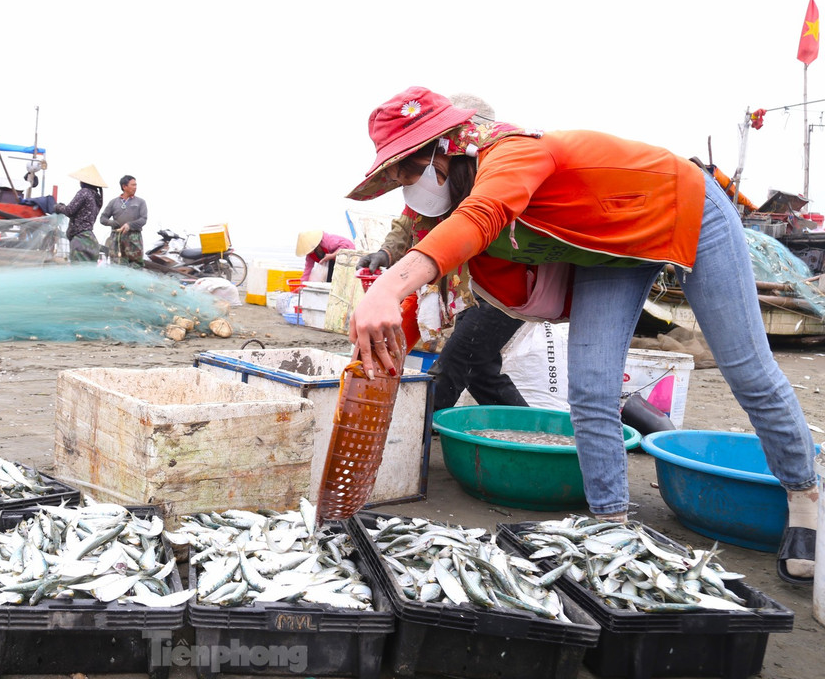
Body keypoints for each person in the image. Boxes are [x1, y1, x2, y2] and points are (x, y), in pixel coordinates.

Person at [347, 86, 818, 585]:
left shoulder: (512, 152)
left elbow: (481, 217)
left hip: (681, 204)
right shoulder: (443, 196)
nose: (408, 189)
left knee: (746, 368)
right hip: (607, 247)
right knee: (590, 386)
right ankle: (611, 522)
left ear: (443, 150)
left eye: (409, 172)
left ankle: (804, 495)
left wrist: (385, 293)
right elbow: (433, 246)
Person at [356, 93, 527, 409]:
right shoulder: (436, 185)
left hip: (505, 282)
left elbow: (473, 226)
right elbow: (411, 222)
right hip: (473, 285)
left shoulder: (496, 170)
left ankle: (419, 431)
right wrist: (386, 253)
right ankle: (530, 438)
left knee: (461, 361)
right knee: (479, 367)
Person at [56, 164, 107, 263]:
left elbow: (69, 210)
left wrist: (58, 207)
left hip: (80, 240)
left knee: (78, 274)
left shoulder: (84, 192)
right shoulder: (97, 198)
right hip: (91, 241)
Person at [100, 174, 147, 266]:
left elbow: (143, 219)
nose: (135, 187)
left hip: (134, 239)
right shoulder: (113, 202)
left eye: (136, 185)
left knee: (136, 265)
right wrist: (113, 223)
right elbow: (103, 219)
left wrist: (129, 225)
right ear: (124, 186)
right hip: (116, 238)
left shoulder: (140, 202)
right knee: (117, 264)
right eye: (133, 185)